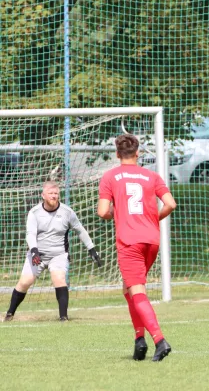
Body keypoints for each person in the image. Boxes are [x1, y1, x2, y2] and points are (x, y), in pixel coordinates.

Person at [97, 134, 177, 362]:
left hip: (129, 241)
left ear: (117, 154)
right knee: (129, 289)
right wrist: (153, 218)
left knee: (137, 291)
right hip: (151, 241)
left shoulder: (111, 176)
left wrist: (118, 213)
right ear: (138, 153)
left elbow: (103, 211)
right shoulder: (151, 176)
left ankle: (159, 340)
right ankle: (139, 341)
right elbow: (170, 203)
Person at [4, 181, 101, 322]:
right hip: (38, 254)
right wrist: (34, 251)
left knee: (59, 278)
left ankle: (63, 317)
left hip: (59, 254)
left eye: (56, 193)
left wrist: (92, 249)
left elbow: (80, 229)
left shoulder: (67, 212)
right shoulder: (34, 212)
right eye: (50, 193)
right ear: (43, 195)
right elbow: (30, 234)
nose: (53, 196)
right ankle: (9, 314)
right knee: (25, 282)